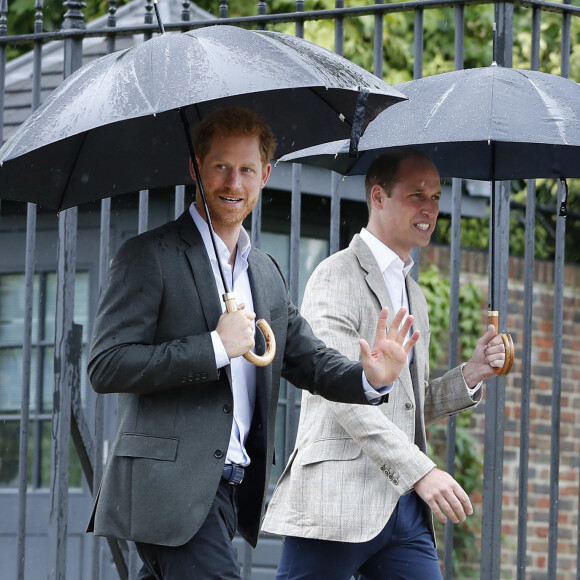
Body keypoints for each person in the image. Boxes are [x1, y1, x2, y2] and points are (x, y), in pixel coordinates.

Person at [85, 108, 419, 580]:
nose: (232, 182)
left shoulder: (264, 270)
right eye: (220, 166)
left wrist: (369, 378)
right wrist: (215, 347)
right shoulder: (148, 256)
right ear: (195, 167)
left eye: (245, 169)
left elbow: (306, 358)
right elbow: (106, 365)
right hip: (168, 490)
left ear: (264, 175)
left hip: (229, 489)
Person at [261, 149, 506, 580]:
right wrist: (422, 472)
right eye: (416, 195)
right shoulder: (335, 275)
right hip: (337, 501)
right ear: (378, 196)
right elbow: (341, 394)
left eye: (435, 195)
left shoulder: (416, 296)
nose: (430, 207)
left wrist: (472, 373)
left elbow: (404, 406)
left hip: (402, 510)